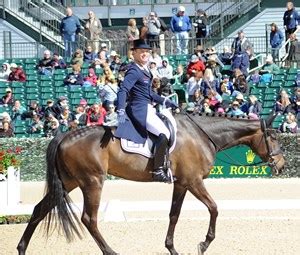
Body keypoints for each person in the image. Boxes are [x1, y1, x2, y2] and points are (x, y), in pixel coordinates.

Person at [115, 39, 178, 183]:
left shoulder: (146, 71)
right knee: (164, 134)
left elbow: (149, 94)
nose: (145, 54)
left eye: (147, 52)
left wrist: (165, 100)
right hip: (139, 109)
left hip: (148, 107)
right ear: (134, 53)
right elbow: (123, 90)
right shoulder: (134, 70)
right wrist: (120, 109)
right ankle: (158, 171)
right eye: (141, 51)